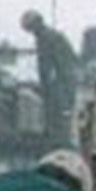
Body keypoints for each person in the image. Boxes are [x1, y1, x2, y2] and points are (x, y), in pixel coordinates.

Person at [20, 8, 80, 147]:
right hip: (65, 81)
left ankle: (56, 143)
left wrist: (44, 86)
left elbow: (45, 66)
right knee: (61, 116)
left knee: (56, 118)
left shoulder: (45, 38)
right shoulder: (51, 35)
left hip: (61, 82)